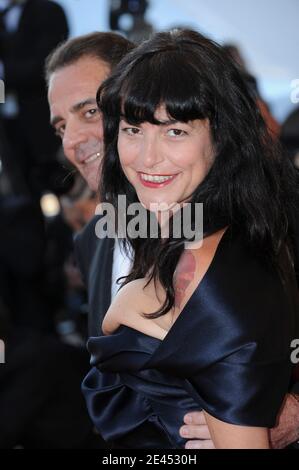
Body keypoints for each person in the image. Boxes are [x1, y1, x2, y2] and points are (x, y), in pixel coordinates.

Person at [46, 30, 299, 450]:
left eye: (89, 111)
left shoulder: (260, 230)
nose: (73, 140)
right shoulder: (95, 237)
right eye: (60, 126)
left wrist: (286, 412)